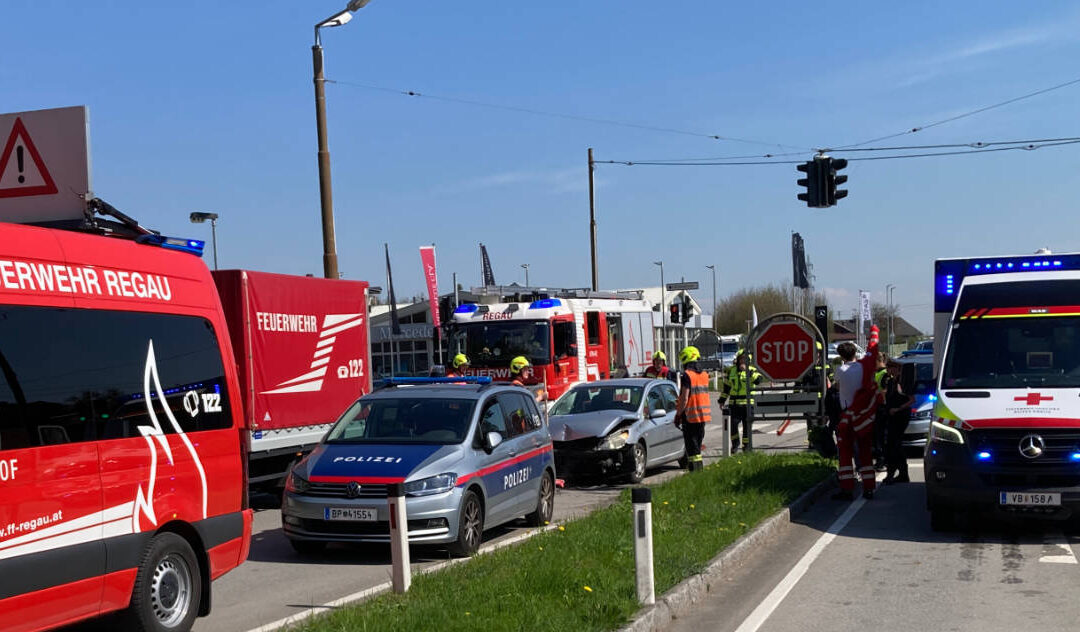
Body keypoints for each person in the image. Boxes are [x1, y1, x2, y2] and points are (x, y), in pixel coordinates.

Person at [833, 328, 881, 501]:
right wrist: (874, 332)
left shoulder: (840, 370)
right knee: (865, 452)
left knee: (845, 454)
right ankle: (869, 488)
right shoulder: (863, 367)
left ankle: (847, 489)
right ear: (855, 353)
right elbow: (872, 350)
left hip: (847, 416)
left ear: (841, 356)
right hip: (864, 415)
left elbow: (836, 386)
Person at [675, 346, 711, 472]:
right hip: (703, 416)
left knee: (692, 448)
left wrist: (678, 415)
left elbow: (684, 398)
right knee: (697, 447)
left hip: (690, 417)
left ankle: (695, 472)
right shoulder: (705, 374)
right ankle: (699, 471)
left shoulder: (687, 375)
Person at [722, 350, 764, 454]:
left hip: (748, 404)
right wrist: (721, 400)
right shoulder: (731, 371)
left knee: (747, 427)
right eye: (741, 359)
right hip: (734, 404)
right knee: (733, 425)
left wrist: (748, 372)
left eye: (745, 359)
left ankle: (746, 446)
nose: (742, 361)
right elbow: (726, 388)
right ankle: (735, 444)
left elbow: (758, 380)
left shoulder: (752, 370)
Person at [882, 359, 915, 485]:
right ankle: (902, 473)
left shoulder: (902, 382)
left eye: (890, 367)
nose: (888, 369)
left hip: (900, 416)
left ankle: (894, 473)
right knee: (893, 445)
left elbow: (911, 400)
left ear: (896, 368)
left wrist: (898, 409)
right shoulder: (891, 381)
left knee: (895, 445)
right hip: (891, 416)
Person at [872, 354, 889, 471]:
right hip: (877, 408)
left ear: (879, 360)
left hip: (882, 408)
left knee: (880, 437)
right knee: (877, 437)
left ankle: (882, 462)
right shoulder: (877, 373)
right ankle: (880, 461)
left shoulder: (885, 374)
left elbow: (884, 392)